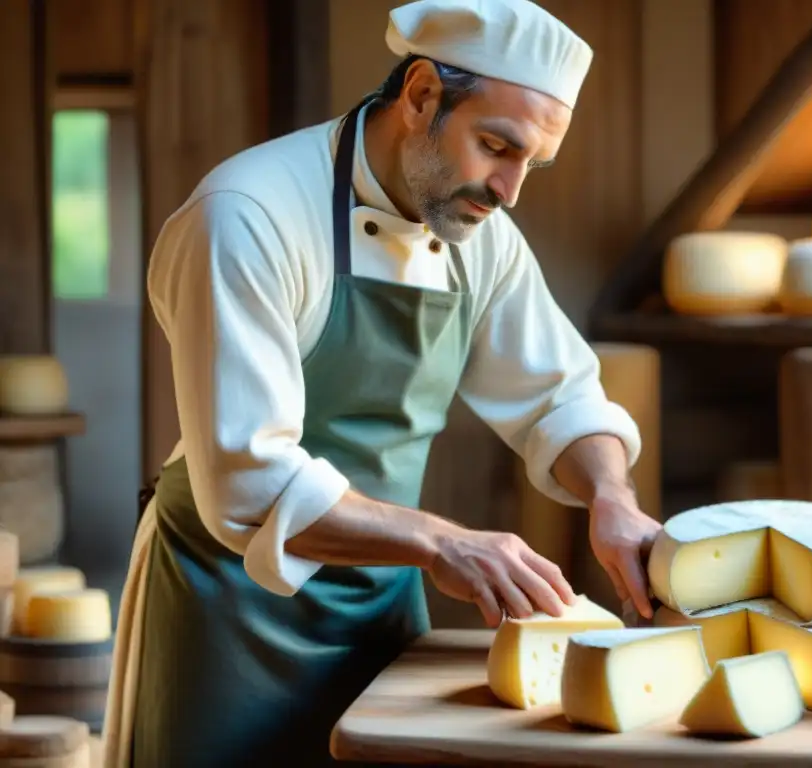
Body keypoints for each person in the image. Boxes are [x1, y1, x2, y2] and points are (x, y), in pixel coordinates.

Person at [102, 0, 662, 765]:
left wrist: (611, 498)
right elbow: (248, 482)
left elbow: (559, 396)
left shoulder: (479, 237)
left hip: (382, 590)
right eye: (497, 146)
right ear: (422, 94)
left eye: (531, 162)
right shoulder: (246, 217)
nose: (510, 190)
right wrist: (440, 541)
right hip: (226, 607)